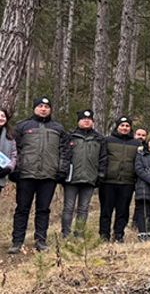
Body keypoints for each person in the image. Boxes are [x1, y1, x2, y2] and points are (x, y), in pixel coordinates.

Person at [8, 97, 67, 254]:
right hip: (26, 175)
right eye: (40, 106)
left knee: (43, 210)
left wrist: (61, 170)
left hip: (49, 175)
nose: (43, 109)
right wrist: (15, 169)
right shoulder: (23, 126)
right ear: (35, 108)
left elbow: (64, 151)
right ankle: (17, 241)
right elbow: (14, 149)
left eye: (47, 106)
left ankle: (40, 240)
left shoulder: (58, 128)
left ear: (50, 109)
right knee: (22, 209)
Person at [60, 109, 105, 238]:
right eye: (83, 119)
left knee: (83, 208)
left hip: (90, 179)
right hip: (71, 179)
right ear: (78, 121)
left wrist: (100, 175)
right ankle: (65, 234)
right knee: (68, 207)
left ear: (93, 121)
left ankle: (79, 234)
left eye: (89, 119)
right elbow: (64, 156)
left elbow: (103, 159)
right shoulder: (70, 136)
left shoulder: (99, 139)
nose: (86, 121)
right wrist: (62, 172)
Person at [98, 116, 138, 242]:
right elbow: (102, 158)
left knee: (123, 211)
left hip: (127, 182)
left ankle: (119, 234)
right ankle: (104, 235)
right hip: (108, 181)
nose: (124, 128)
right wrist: (101, 174)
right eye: (122, 125)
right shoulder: (107, 140)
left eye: (127, 126)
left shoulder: (136, 143)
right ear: (117, 127)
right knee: (106, 210)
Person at [0, 108, 16, 196]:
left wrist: (9, 168)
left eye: (3, 116)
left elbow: (14, 154)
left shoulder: (10, 135)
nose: (0, 118)